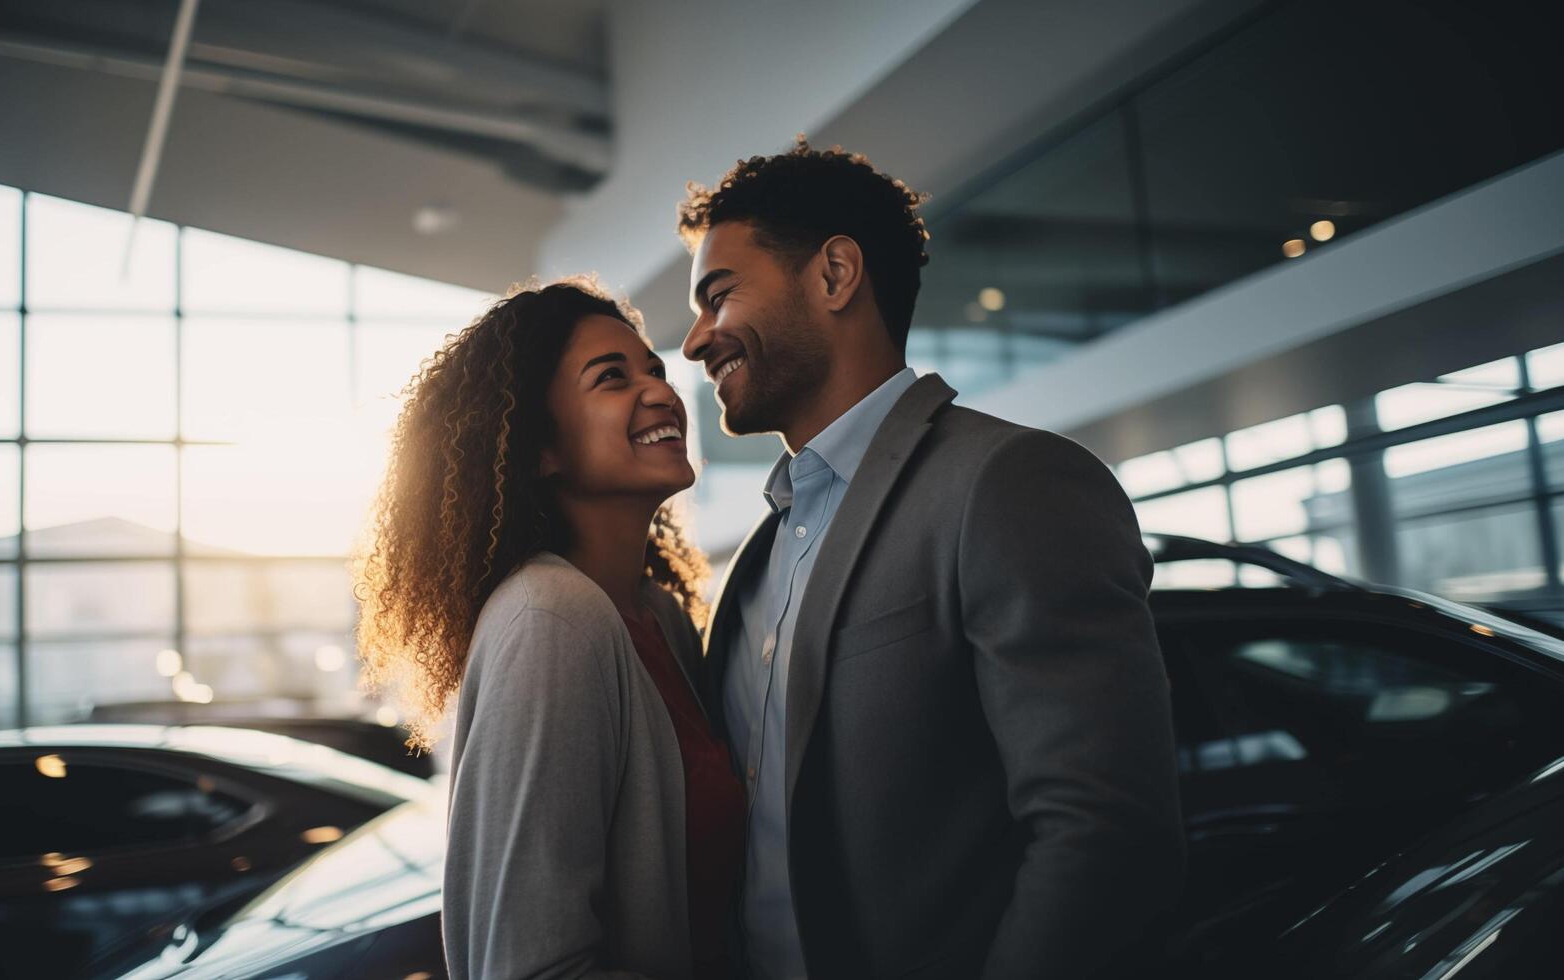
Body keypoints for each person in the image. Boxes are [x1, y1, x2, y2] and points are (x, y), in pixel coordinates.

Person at [676, 139, 1185, 978]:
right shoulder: (760, 549)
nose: (696, 341)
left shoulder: (1010, 482)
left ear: (835, 274)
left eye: (718, 295)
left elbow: (1104, 837)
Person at [355, 279, 744, 980]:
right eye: (611, 379)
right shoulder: (553, 619)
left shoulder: (655, 616)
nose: (658, 391)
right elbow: (531, 968)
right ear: (540, 449)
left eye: (653, 369)